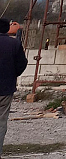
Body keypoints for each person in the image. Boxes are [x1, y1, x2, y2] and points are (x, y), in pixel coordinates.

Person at [0, 18, 27, 156]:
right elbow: (22, 64)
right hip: (5, 89)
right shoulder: (14, 44)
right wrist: (13, 75)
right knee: (1, 121)